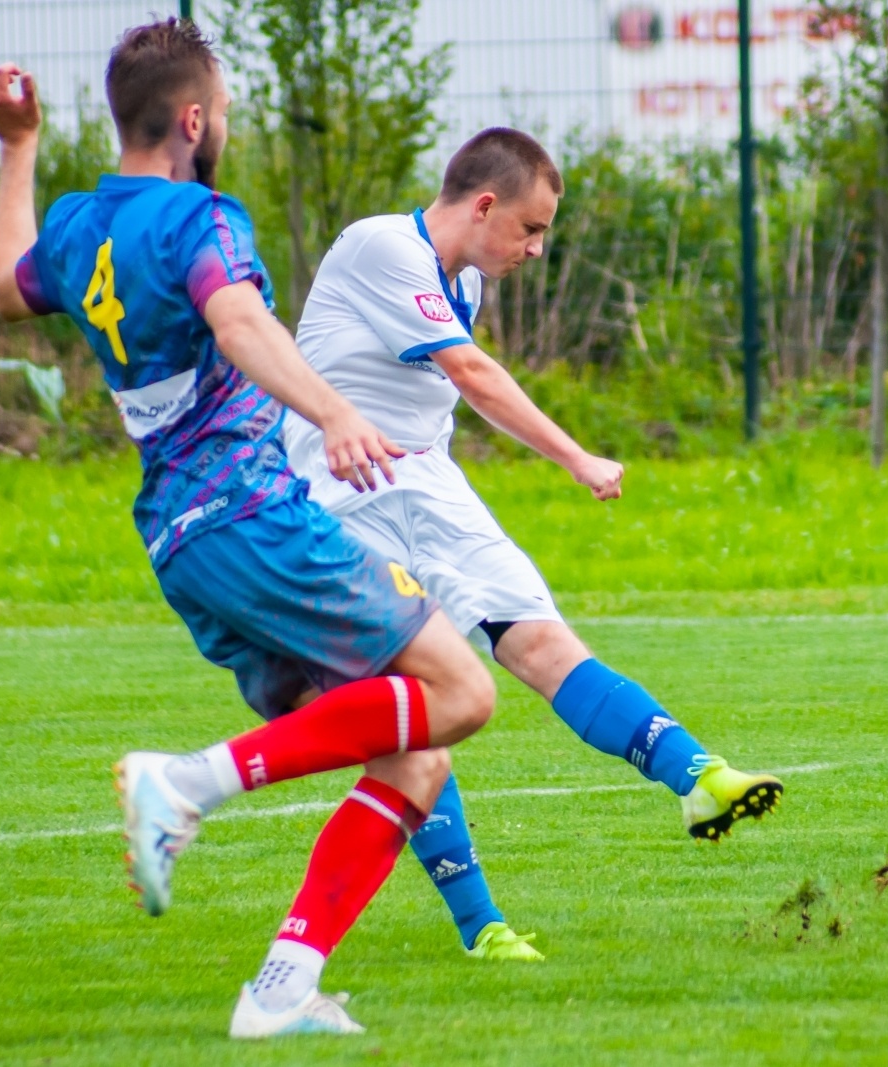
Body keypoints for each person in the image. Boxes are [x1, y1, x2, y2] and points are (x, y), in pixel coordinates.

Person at [0, 18, 503, 1039]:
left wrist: (18, 148)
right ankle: (185, 780)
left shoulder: (85, 224)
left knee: (415, 749)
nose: (225, 125)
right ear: (192, 119)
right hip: (255, 515)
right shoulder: (201, 219)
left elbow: (6, 285)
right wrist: (335, 411)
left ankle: (281, 989)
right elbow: (242, 321)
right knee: (461, 689)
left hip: (186, 545)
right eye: (220, 108)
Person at [281, 130, 785, 962]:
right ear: (483, 206)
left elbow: (456, 387)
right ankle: (483, 928)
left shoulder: (467, 276)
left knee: (542, 639)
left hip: (431, 489)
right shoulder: (379, 246)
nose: (537, 248)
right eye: (530, 228)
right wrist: (578, 457)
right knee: (419, 724)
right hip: (341, 501)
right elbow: (472, 374)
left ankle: (699, 777)